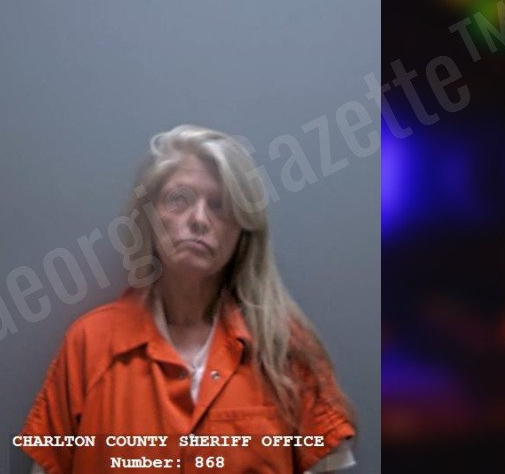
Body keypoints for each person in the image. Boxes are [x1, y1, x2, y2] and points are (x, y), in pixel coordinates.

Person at [20, 125, 356, 473]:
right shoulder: (90, 345)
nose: (198, 220)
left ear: (242, 230)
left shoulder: (286, 349)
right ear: (149, 218)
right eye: (179, 199)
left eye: (220, 206)